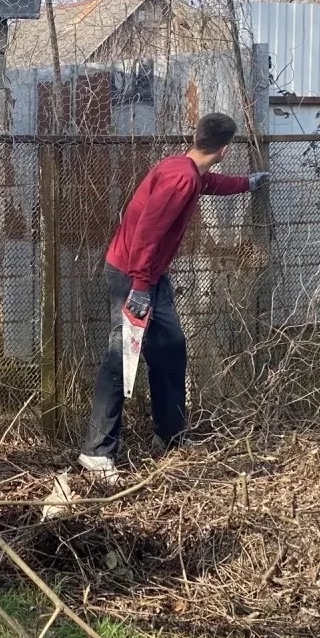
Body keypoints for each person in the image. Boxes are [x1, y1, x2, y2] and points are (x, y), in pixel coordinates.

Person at [77, 112, 269, 483]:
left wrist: (246, 183)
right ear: (225, 149)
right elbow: (148, 231)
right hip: (134, 277)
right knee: (123, 358)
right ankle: (96, 453)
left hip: (147, 276)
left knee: (170, 349)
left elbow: (207, 182)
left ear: (196, 138)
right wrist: (141, 287)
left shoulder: (182, 168)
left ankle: (170, 435)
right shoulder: (181, 177)